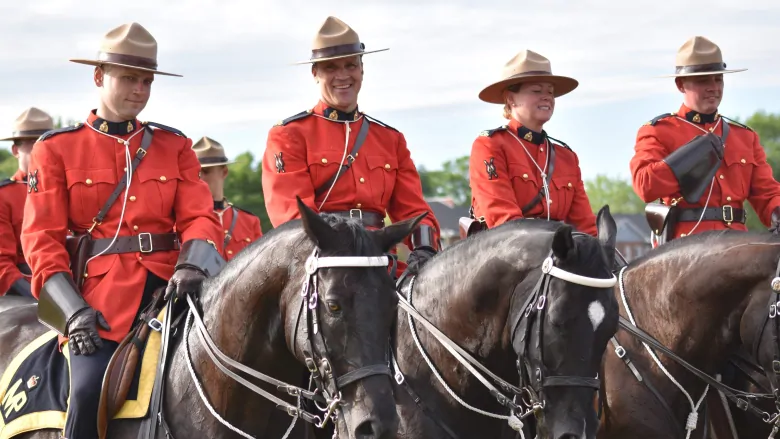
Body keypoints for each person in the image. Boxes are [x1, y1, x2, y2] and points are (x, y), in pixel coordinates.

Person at [20, 22, 223, 439]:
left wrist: (193, 265)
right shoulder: (57, 149)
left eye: (146, 80)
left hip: (174, 289)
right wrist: (72, 314)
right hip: (101, 305)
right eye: (128, 78)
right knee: (89, 388)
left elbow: (201, 218)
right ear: (99, 77)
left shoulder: (175, 147)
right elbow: (41, 241)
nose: (139, 89)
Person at [262, 16, 440, 275]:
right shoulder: (289, 134)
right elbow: (294, 216)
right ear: (315, 73)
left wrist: (425, 250)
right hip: (323, 263)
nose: (342, 75)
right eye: (331, 68)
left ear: (362, 70)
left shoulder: (390, 139)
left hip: (381, 260)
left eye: (350, 65)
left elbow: (415, 210)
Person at [630, 36, 780, 244]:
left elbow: (767, 193)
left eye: (718, 79)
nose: (713, 87)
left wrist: (777, 212)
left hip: (737, 244)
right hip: (684, 247)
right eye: (703, 80)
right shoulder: (659, 131)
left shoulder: (744, 137)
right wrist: (690, 157)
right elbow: (645, 185)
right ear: (681, 84)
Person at [466, 50, 597, 236]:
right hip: (504, 253)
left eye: (550, 92)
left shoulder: (566, 157)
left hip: (558, 255)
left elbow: (585, 226)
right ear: (510, 99)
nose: (547, 97)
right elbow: (504, 221)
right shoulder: (490, 146)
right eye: (536, 91)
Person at [0, 107, 53, 297]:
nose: (39, 149)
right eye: (31, 143)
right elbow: (2, 266)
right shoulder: (4, 196)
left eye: (45, 142)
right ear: (15, 150)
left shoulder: (67, 191)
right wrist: (40, 301)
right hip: (24, 294)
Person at [192, 136, 263, 260]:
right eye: (196, 173)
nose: (200, 178)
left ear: (224, 172)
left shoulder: (249, 222)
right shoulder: (180, 223)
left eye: (206, 171)